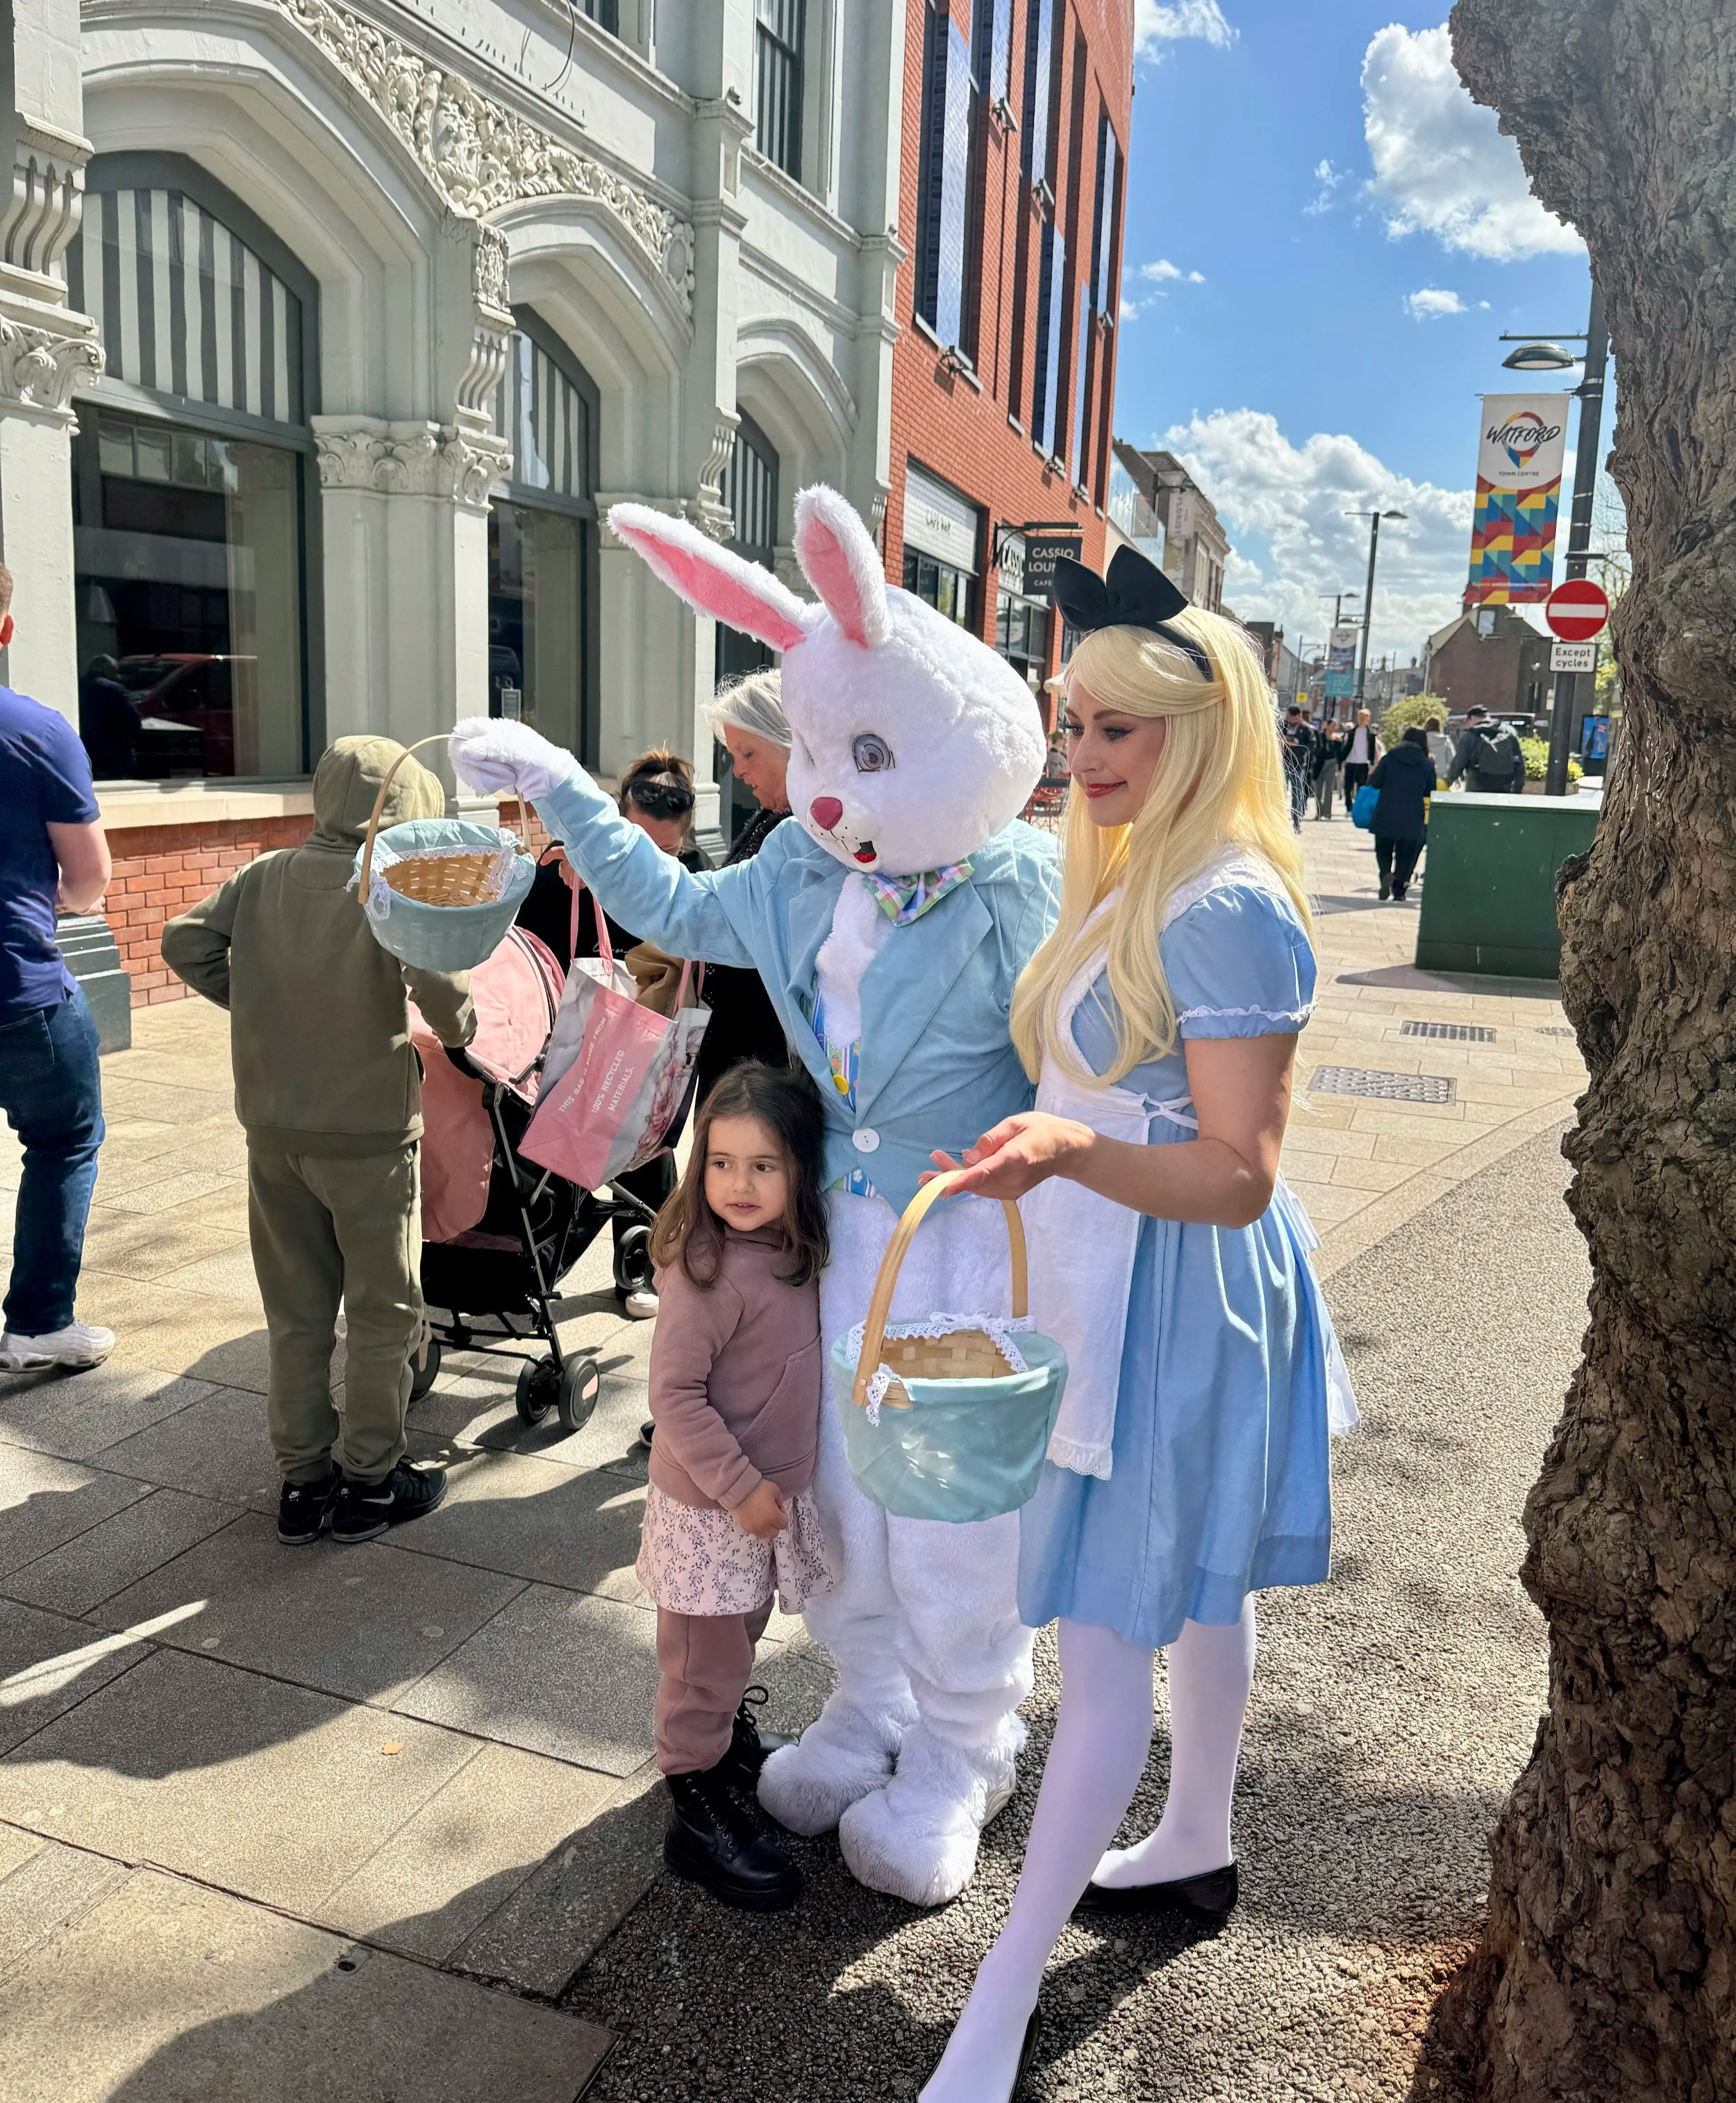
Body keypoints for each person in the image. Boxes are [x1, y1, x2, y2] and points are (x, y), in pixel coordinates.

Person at [917, 567, 1355, 2103]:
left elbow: (1237, 1177)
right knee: (1187, 1593)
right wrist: (1023, 1145)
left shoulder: (1225, 903)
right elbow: (1113, 1105)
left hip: (1180, 1295)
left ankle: (1000, 1996)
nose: (1084, 753)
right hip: (1123, 1275)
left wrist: (1065, 1151)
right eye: (1072, 723)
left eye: (1117, 726)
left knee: (1104, 1641)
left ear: (1199, 725)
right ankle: (1197, 1831)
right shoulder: (1135, 878)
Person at [161, 737, 474, 1546]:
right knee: (381, 1311)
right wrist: (462, 1030)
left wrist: (258, 1005)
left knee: (296, 1311)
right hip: (369, 1134)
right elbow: (445, 993)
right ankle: (371, 1479)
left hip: (272, 1128)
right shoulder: (391, 886)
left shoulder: (262, 875)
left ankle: (302, 1480)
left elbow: (182, 943)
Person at [637, 1060, 832, 1909]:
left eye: (764, 1165)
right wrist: (741, 1485)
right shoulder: (706, 1267)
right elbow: (673, 1394)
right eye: (721, 1162)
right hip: (712, 1507)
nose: (739, 1184)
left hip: (757, 1502)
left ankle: (721, 1739)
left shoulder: (787, 1250)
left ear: (800, 1169)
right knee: (698, 1659)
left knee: (734, 1638)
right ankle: (695, 1797)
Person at [517, 746, 713, 1322]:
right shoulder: (563, 872)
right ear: (616, 824)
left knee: (647, 1149)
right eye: (638, 849)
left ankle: (644, 1266)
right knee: (560, 1142)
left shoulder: (697, 876)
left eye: (668, 851)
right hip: (572, 1035)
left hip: (655, 1038)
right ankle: (542, 1263)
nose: (654, 865)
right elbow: (530, 949)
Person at [0, 564, 117, 1372]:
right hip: (18, 990)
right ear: (5, 627)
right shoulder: (37, 732)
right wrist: (60, 905)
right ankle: (40, 1319)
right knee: (66, 1137)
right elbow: (89, 880)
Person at [694, 670, 794, 1102]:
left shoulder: (810, 835)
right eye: (734, 754)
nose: (738, 770)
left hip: (764, 1069)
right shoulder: (775, 818)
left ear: (792, 743)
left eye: (748, 752)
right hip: (738, 1051)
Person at [1365, 724, 1437, 902]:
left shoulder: (1390, 758)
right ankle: (1399, 890)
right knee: (1407, 854)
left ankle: (1385, 875)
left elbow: (1374, 782)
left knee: (1383, 850)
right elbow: (1430, 790)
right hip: (1412, 815)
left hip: (1386, 812)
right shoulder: (1426, 764)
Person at [77, 655, 142, 780]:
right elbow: (133, 723)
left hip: (84, 752)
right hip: (114, 756)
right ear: (107, 671)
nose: (118, 677)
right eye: (115, 672)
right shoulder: (117, 691)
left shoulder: (77, 687)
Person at [1445, 705, 1524, 794]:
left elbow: (1458, 764)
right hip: (1504, 787)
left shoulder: (1470, 736)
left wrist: (1446, 783)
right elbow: (1519, 763)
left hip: (1476, 787)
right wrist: (1517, 790)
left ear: (1471, 719)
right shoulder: (1509, 732)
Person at [1278, 704, 1313, 831]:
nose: (1291, 720)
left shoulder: (1305, 730)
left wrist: (1298, 745)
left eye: (1293, 718)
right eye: (1289, 717)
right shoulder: (1282, 726)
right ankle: (1280, 821)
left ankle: (1297, 822)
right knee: (1280, 791)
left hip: (1298, 765)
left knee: (1297, 792)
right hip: (1283, 762)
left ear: (1298, 717)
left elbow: (1311, 745)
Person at [1341, 706, 1380, 808]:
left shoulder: (1371, 734)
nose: (1362, 719)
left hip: (1364, 763)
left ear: (1368, 719)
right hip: (1351, 761)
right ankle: (1349, 806)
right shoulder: (1352, 733)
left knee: (1361, 786)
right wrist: (1342, 759)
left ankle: (1359, 805)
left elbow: (1374, 748)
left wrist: (1376, 762)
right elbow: (1346, 747)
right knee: (1348, 786)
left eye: (1364, 717)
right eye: (1360, 717)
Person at [1312, 717, 1347, 820]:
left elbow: (1340, 755)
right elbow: (1316, 749)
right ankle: (1318, 812)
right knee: (1318, 790)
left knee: (1329, 789)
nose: (1334, 728)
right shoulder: (1320, 736)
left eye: (1335, 726)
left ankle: (1327, 813)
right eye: (1332, 725)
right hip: (1319, 764)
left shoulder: (1336, 740)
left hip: (1331, 764)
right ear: (1327, 726)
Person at [1425, 714, 1455, 779]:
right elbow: (1452, 760)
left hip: (1425, 774)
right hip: (1442, 774)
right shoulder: (1446, 740)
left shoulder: (1422, 740)